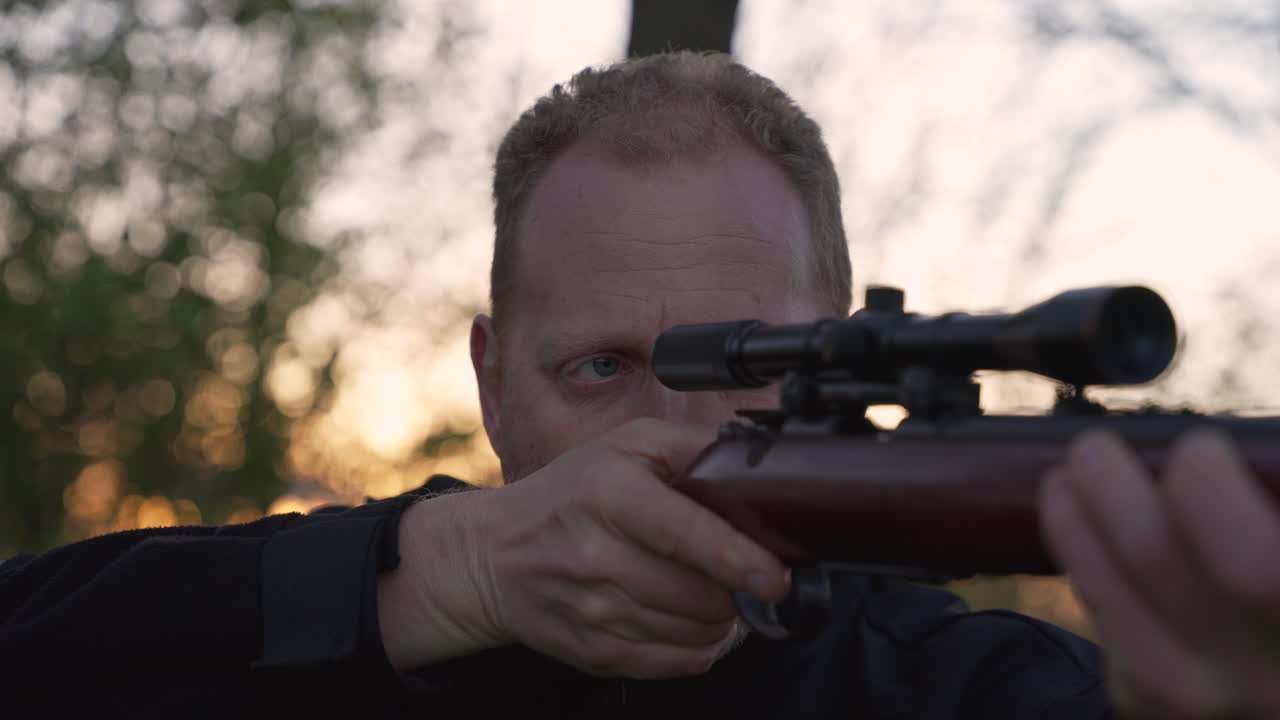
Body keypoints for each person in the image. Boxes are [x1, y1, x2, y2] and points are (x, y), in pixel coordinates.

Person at [3, 51, 1278, 719]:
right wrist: (444, 579)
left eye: (750, 367)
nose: (665, 441)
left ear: (841, 364)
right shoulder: (321, 624)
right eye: (599, 368)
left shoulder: (987, 690)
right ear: (495, 386)